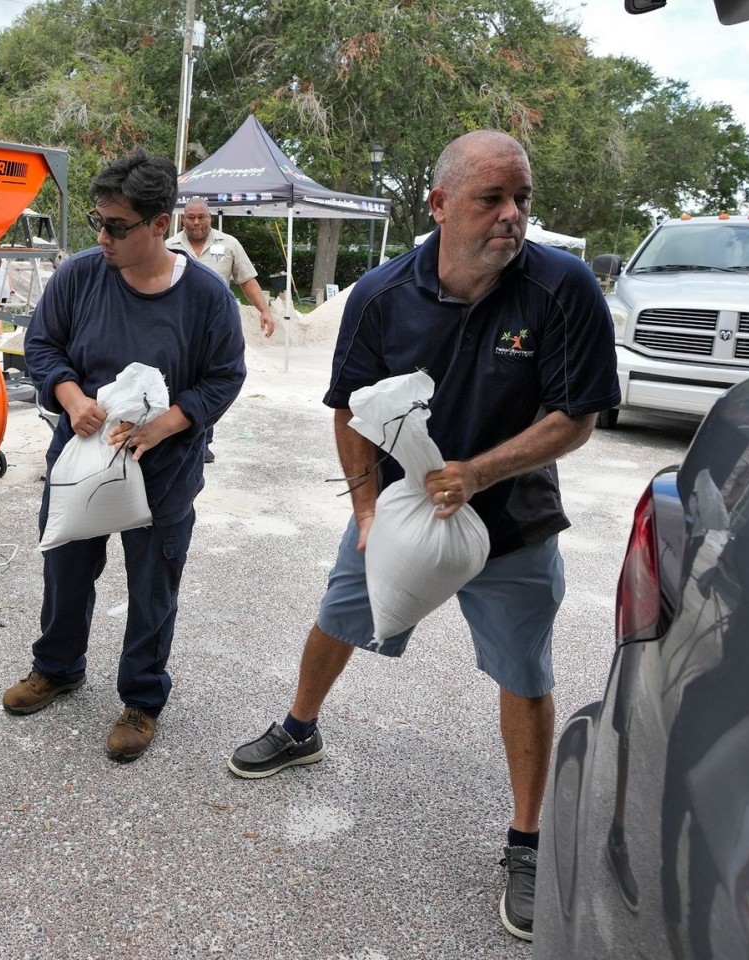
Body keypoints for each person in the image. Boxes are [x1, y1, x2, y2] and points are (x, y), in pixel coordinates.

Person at [225, 130, 620, 941]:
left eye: (523, 200)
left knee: (524, 671)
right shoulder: (380, 293)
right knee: (340, 613)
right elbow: (349, 409)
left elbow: (574, 419)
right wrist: (368, 511)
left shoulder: (562, 287)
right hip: (401, 509)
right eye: (491, 199)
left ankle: (526, 840)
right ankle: (300, 728)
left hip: (511, 523)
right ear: (439, 205)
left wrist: (478, 473)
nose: (512, 217)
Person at [3, 149, 246, 761]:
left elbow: (225, 376)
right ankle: (57, 668)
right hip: (81, 463)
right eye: (98, 222)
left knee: (152, 586)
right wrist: (69, 394)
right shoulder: (80, 276)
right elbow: (42, 345)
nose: (103, 237)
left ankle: (141, 700)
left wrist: (168, 424)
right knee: (65, 570)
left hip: (162, 473)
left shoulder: (207, 297)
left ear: (159, 225)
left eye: (117, 226)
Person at [166, 198, 275, 462]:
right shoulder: (169, 246)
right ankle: (176, 432)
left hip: (216, 326)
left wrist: (264, 310)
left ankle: (203, 439)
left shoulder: (228, 244)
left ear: (210, 217)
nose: (196, 222)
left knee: (211, 380)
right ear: (183, 219)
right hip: (178, 324)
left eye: (201, 217)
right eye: (191, 217)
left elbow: (246, 279)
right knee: (180, 378)